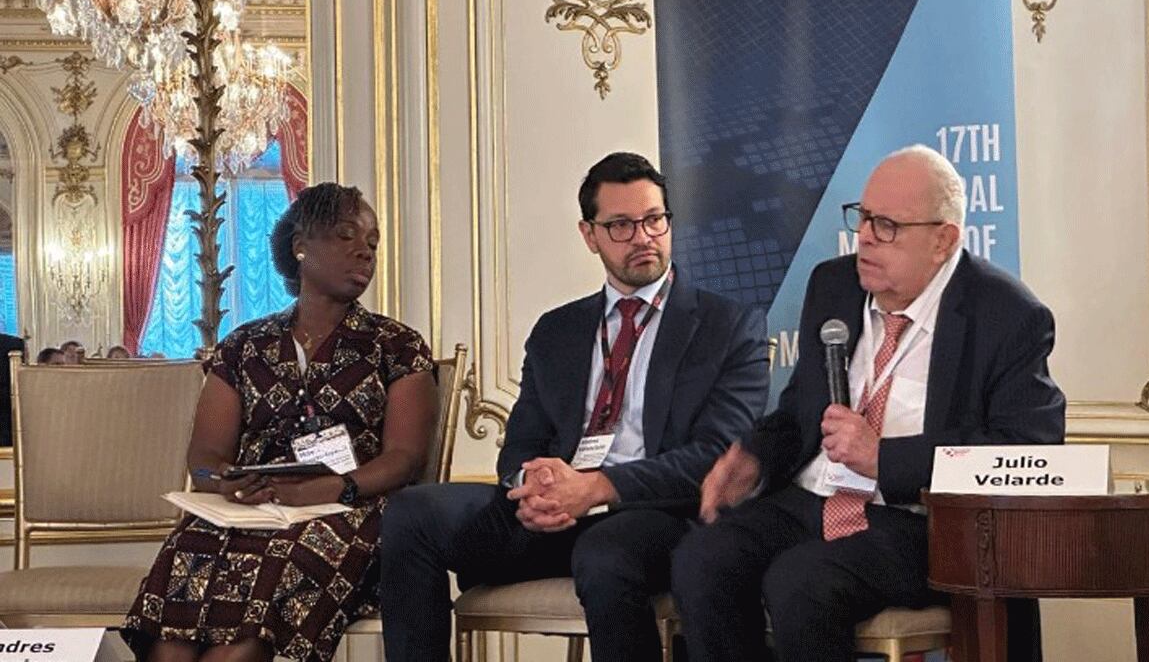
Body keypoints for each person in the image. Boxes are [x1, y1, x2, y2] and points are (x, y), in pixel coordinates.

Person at [671, 146, 1067, 661]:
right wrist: (754, 456)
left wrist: (885, 459)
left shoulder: (1007, 315)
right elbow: (799, 411)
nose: (864, 238)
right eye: (862, 218)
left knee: (801, 582)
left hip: (915, 521)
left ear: (943, 240)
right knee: (702, 558)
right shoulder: (833, 286)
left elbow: (1025, 449)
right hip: (813, 498)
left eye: (888, 227)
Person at [378, 152, 770, 662]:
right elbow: (520, 443)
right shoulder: (557, 331)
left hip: (652, 511)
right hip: (555, 513)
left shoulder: (727, 326)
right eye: (622, 226)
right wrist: (532, 482)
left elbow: (717, 454)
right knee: (414, 512)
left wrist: (598, 488)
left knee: (606, 554)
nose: (644, 237)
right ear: (590, 235)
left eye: (654, 220)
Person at [123, 183, 439, 662]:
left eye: (372, 243)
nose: (364, 251)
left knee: (249, 629)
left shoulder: (397, 346)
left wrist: (331, 490)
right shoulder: (243, 346)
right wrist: (227, 484)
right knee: (174, 618)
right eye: (346, 235)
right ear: (300, 246)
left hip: (350, 514)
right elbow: (204, 458)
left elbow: (404, 458)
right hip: (250, 511)